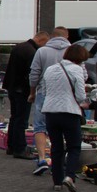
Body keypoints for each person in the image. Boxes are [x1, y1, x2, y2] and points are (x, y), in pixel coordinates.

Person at [40, 43, 90, 192]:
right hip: (69, 112)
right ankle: (69, 177)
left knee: (56, 147)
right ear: (80, 58)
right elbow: (80, 95)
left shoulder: (50, 69)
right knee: (74, 147)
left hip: (50, 112)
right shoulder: (77, 69)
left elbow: (44, 91)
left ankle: (57, 181)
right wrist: (84, 102)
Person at [28, 26, 72, 176]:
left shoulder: (42, 51)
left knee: (40, 126)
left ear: (52, 36)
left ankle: (42, 159)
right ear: (66, 36)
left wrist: (32, 92)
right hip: (66, 95)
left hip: (44, 92)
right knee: (63, 128)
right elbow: (82, 74)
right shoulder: (72, 51)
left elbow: (34, 74)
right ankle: (59, 161)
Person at [4, 31, 49, 159]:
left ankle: (11, 146)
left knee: (14, 117)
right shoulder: (32, 52)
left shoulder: (19, 47)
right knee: (21, 120)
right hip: (22, 89)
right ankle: (20, 148)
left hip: (12, 86)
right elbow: (31, 73)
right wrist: (32, 91)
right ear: (41, 40)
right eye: (45, 44)